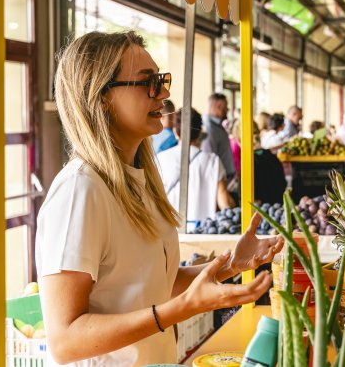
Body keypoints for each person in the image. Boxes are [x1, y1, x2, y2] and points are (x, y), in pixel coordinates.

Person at [37, 31, 281, 366]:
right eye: (148, 82)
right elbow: (65, 341)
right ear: (102, 96)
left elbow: (153, 284)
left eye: (162, 80)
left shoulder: (138, 181)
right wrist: (181, 309)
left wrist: (230, 266)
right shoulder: (80, 190)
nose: (164, 94)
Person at [157, 107, 234, 223]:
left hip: (170, 228)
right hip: (203, 230)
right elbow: (225, 203)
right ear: (199, 133)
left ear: (175, 132)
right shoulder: (213, 161)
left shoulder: (160, 159)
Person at [201, 93, 236, 183]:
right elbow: (209, 157)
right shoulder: (208, 128)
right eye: (226, 107)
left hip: (225, 177)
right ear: (219, 106)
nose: (227, 110)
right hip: (220, 180)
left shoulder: (216, 125)